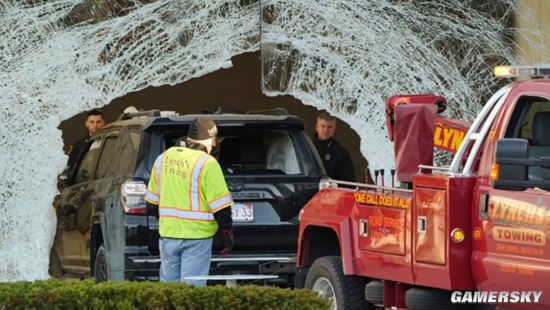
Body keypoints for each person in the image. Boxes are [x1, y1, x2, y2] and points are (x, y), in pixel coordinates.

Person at [145, 116, 234, 286]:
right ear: (204, 139)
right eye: (212, 140)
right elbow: (221, 208)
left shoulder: (162, 158)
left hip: (168, 237)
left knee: (168, 292)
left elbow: (151, 205)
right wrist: (227, 234)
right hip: (197, 238)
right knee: (192, 291)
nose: (214, 145)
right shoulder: (207, 163)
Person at [313, 111, 357, 182]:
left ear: (334, 129)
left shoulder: (341, 153)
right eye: (323, 126)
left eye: (329, 127)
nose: (326, 130)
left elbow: (348, 182)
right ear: (317, 127)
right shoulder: (306, 147)